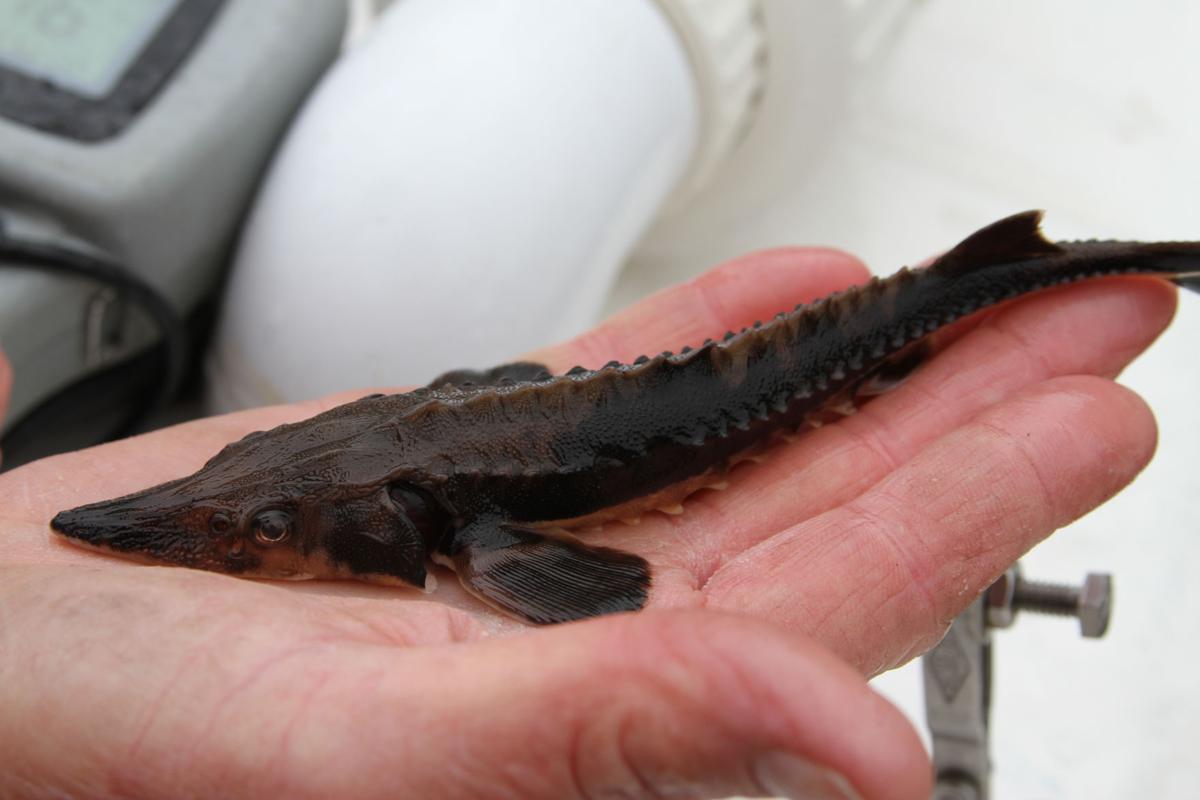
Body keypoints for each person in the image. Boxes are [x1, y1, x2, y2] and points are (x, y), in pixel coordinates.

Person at [0, 246, 1174, 799]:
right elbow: (471, 404)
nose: (229, 533)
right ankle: (997, 277)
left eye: (258, 525)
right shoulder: (433, 492)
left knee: (917, 322)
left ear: (413, 523)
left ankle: (1002, 278)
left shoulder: (477, 535)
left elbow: (600, 583)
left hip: (697, 400)